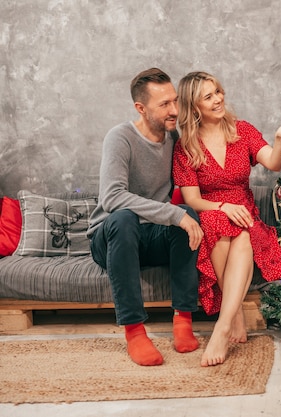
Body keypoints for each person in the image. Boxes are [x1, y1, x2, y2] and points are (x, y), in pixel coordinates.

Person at [173, 71, 281, 366]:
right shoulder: (185, 147)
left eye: (218, 91)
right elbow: (192, 199)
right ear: (194, 107)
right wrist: (221, 206)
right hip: (211, 212)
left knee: (242, 231)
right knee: (219, 224)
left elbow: (274, 162)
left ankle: (223, 325)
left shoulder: (242, 130)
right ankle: (236, 313)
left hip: (245, 214)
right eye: (209, 96)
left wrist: (280, 138)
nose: (218, 99)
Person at [87, 68, 204, 366]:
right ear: (141, 108)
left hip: (150, 237)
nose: (174, 110)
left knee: (188, 215)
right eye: (164, 104)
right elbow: (111, 198)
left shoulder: (173, 137)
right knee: (125, 218)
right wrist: (172, 213)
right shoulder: (120, 137)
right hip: (112, 238)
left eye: (175, 101)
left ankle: (183, 320)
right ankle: (135, 332)